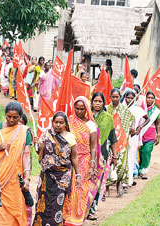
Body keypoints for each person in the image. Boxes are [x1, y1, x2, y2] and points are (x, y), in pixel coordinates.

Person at [33, 112, 81, 226]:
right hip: (47, 176)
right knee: (44, 203)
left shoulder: (70, 137)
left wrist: (78, 175)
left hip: (63, 178)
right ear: (52, 123)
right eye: (56, 122)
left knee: (57, 205)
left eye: (61, 123)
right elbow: (41, 154)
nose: (58, 125)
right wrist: (37, 145)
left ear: (65, 124)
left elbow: (74, 157)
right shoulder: (46, 134)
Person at [0, 102, 32, 226]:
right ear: (5, 115)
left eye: (15, 117)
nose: (11, 120)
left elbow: (26, 156)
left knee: (14, 211)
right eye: (9, 117)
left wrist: (27, 178)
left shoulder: (25, 132)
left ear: (20, 117)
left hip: (14, 179)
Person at [64, 96, 103, 225]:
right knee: (70, 187)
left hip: (85, 159)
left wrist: (93, 164)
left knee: (81, 188)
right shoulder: (69, 122)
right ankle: (68, 214)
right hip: (71, 159)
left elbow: (93, 146)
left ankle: (78, 215)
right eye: (77, 109)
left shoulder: (91, 125)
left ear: (86, 109)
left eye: (82, 109)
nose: (79, 111)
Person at [88, 92, 118, 220]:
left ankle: (92, 208)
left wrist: (115, 156)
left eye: (100, 101)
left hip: (102, 154)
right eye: (95, 101)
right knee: (85, 181)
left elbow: (113, 138)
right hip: (86, 154)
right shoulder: (86, 116)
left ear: (103, 103)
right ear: (91, 102)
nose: (98, 103)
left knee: (97, 181)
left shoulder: (108, 118)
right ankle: (83, 208)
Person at [107, 89, 134, 196]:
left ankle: (118, 184)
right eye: (113, 97)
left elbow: (132, 119)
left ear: (120, 97)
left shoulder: (124, 109)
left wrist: (132, 128)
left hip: (122, 140)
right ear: (110, 97)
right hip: (109, 141)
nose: (115, 99)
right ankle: (107, 187)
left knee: (121, 164)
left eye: (117, 97)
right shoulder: (106, 109)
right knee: (109, 164)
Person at [122, 89, 150, 188]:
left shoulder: (136, 108)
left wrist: (140, 127)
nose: (129, 100)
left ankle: (128, 181)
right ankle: (120, 180)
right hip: (121, 136)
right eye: (128, 97)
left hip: (132, 137)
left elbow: (148, 118)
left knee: (130, 158)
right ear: (124, 97)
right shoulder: (121, 108)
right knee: (122, 158)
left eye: (131, 98)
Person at [139, 91, 160, 179]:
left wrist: (158, 135)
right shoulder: (141, 108)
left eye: (152, 98)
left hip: (150, 135)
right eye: (148, 98)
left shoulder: (156, 111)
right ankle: (138, 170)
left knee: (147, 151)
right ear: (145, 98)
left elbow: (158, 124)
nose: (150, 99)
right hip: (140, 134)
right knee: (140, 152)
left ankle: (144, 170)